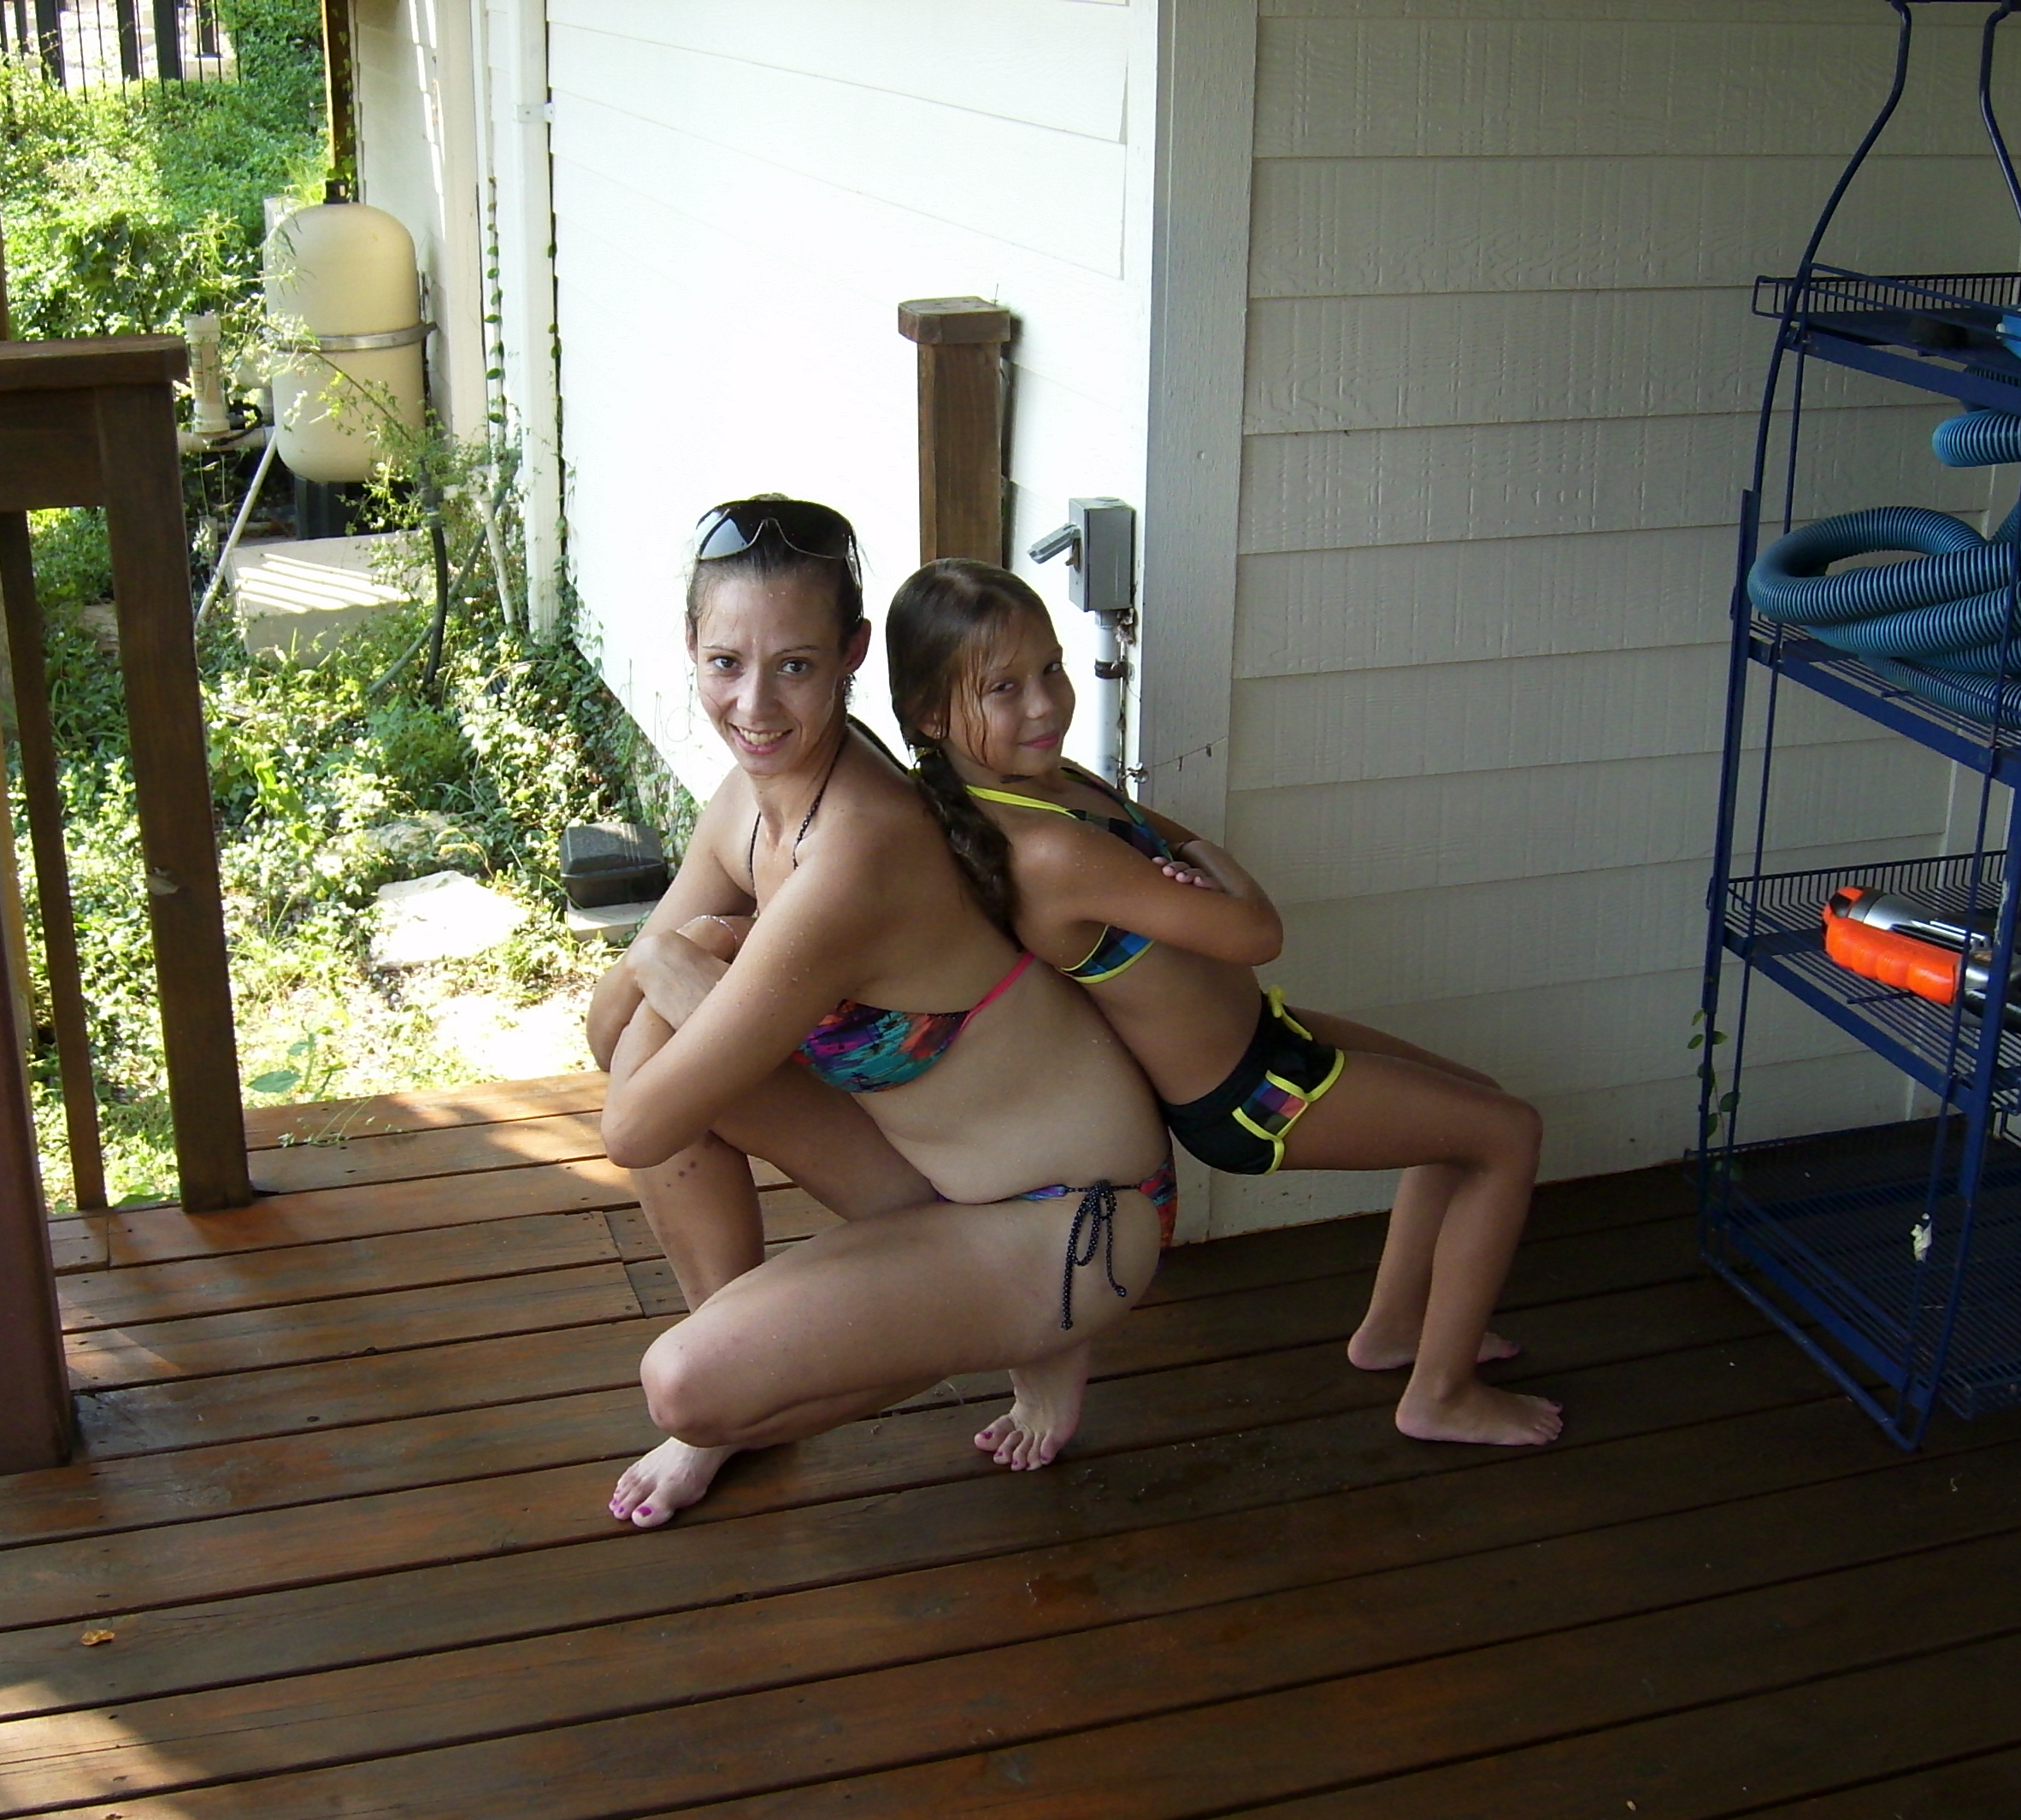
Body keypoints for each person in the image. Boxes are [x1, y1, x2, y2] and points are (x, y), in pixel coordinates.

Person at [586, 500, 1175, 1529]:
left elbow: (632, 1125)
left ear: (851, 655)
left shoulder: (856, 849)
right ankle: (751, 1368)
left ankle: (1034, 1331)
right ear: (690, 645)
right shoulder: (750, 801)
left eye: (796, 666)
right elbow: (610, 1040)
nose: (755, 704)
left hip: (1076, 1217)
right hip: (940, 1175)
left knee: (682, 1384)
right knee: (660, 1037)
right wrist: (667, 962)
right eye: (726, 663)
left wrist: (666, 950)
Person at [887, 559, 1558, 1447]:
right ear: (931, 715)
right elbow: (1255, 929)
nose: (1046, 704)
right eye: (1004, 688)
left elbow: (1179, 847)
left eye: (1051, 668)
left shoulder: (1056, 785)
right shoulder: (1047, 850)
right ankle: (1441, 1394)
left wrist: (1190, 862)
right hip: (1249, 1096)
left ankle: (1398, 1330)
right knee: (1505, 1136)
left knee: (1477, 1111)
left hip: (1270, 1039)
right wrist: (1207, 866)